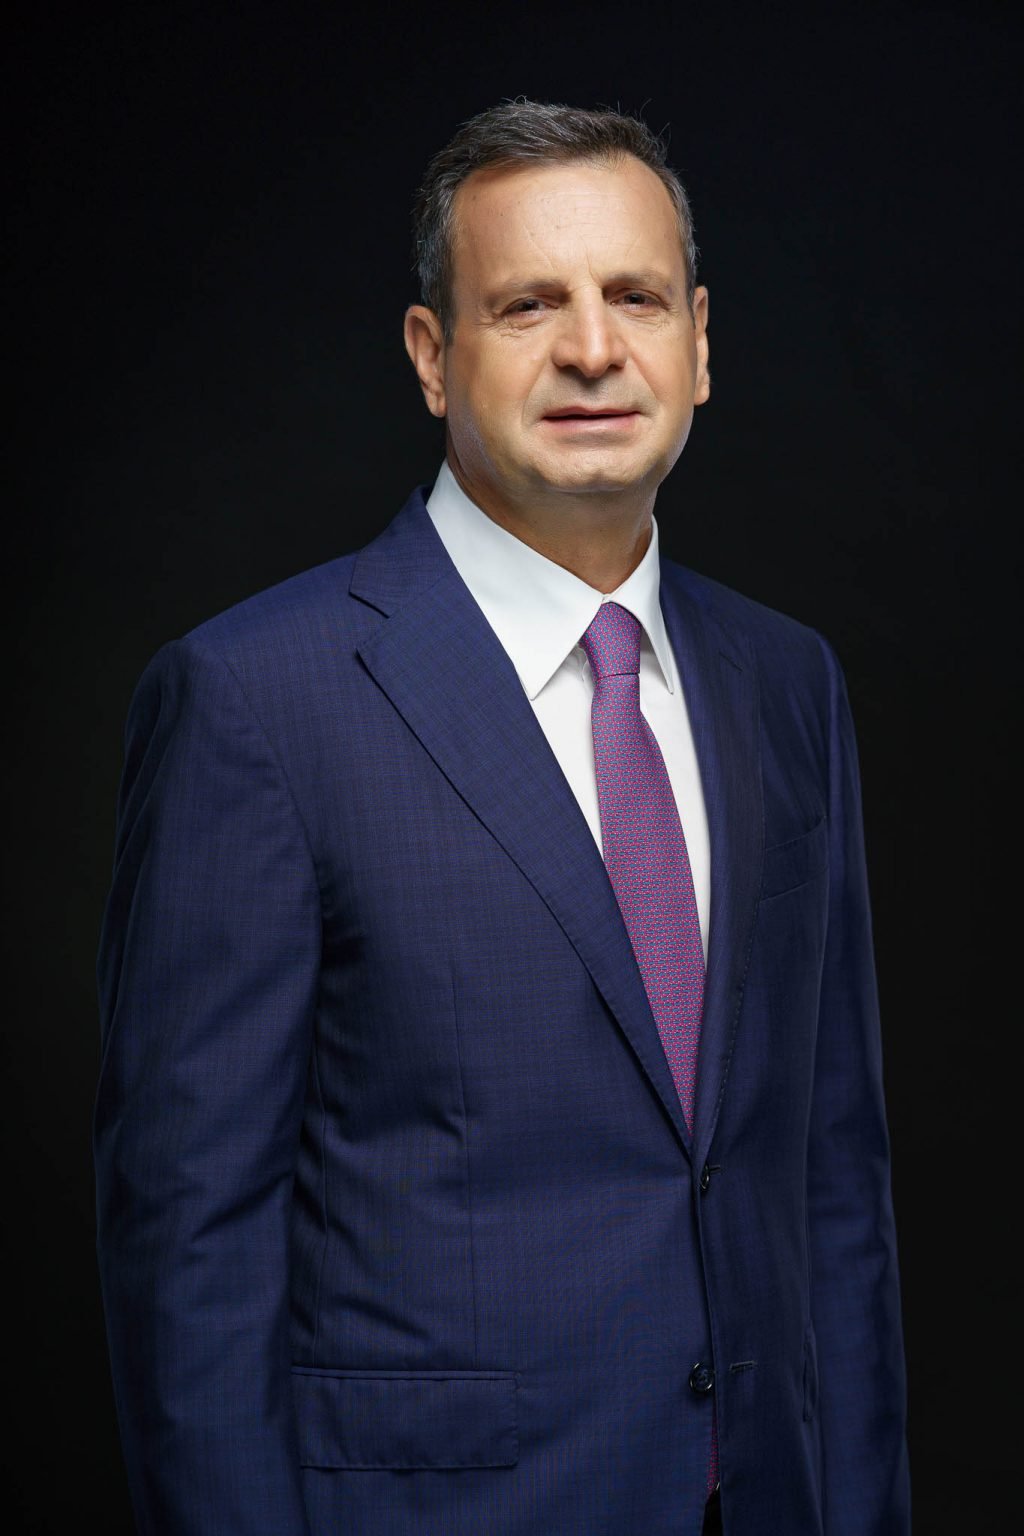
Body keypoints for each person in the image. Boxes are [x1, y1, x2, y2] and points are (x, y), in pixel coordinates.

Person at [94, 100, 911, 1535]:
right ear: (431, 355)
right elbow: (191, 1251)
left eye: (635, 298)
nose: (593, 348)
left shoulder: (788, 685)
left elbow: (832, 1180)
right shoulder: (254, 702)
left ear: (699, 343)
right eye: (528, 304)